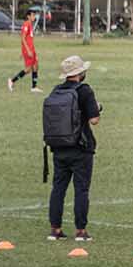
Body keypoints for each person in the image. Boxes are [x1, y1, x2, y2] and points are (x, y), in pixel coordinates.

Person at [40, 54, 100, 242]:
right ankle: (81, 231)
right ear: (80, 73)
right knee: (81, 189)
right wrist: (97, 109)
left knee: (58, 188)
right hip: (81, 148)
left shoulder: (56, 91)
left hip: (59, 147)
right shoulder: (85, 91)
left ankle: (55, 228)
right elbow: (94, 120)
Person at [10, 12, 40, 92]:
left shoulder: (30, 24)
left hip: (31, 49)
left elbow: (28, 39)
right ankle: (12, 81)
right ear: (28, 16)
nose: (34, 17)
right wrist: (27, 50)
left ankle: (34, 87)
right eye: (33, 15)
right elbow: (23, 38)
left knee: (36, 66)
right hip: (29, 50)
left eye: (34, 15)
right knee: (28, 69)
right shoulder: (26, 24)